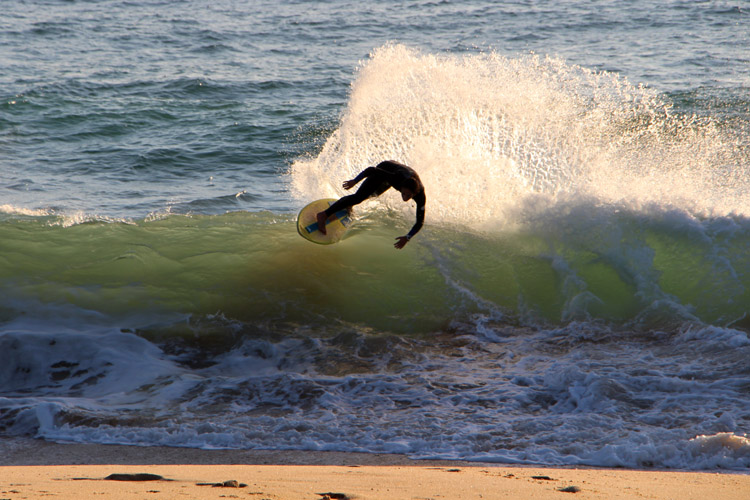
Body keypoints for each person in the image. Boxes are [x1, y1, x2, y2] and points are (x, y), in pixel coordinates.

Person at [316, 160, 426, 249]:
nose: (405, 198)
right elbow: (371, 170)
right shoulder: (396, 178)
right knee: (359, 197)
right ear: (401, 187)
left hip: (397, 174)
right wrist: (354, 181)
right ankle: (324, 215)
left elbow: (419, 222)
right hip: (386, 168)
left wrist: (407, 237)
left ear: (414, 194)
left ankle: (348, 204)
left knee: (371, 194)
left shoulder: (420, 197)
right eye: (404, 193)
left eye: (408, 195)